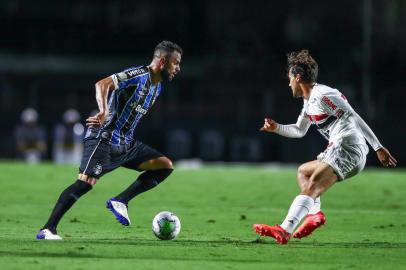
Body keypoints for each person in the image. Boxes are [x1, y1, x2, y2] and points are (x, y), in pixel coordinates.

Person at [36, 40, 182, 240]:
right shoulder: (138, 75)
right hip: (103, 139)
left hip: (126, 144)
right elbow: (102, 84)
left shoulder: (157, 88)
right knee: (85, 183)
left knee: (164, 165)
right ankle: (47, 229)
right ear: (163, 61)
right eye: (176, 63)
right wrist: (104, 111)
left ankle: (121, 200)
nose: (178, 68)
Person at [253, 50, 397, 245]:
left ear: (297, 77)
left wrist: (378, 147)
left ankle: (285, 230)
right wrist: (276, 128)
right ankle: (314, 215)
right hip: (339, 149)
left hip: (347, 147)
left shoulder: (323, 95)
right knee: (304, 172)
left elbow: (352, 116)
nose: (288, 84)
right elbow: (299, 130)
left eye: (289, 79)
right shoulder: (309, 101)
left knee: (312, 183)